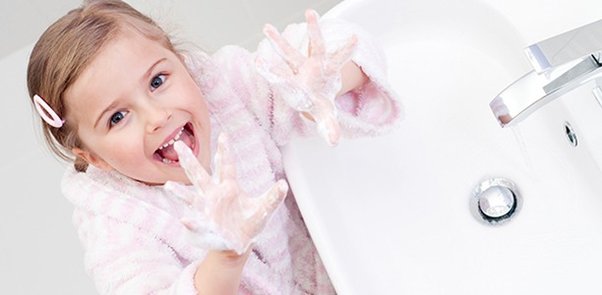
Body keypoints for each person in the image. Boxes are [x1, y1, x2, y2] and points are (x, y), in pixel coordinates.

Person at [26, 0, 401, 293]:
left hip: (336, 253)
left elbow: (337, 45)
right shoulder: (117, 226)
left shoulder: (224, 87)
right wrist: (225, 256)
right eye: (118, 117)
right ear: (94, 158)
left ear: (182, 62)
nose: (157, 116)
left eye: (157, 80)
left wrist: (327, 80)